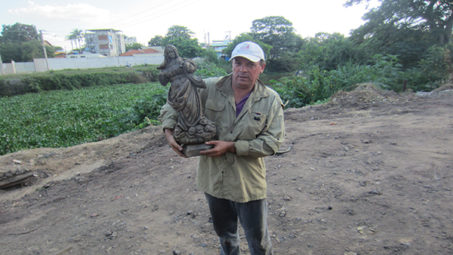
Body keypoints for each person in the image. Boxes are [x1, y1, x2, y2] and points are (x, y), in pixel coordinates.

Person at [159, 41, 285, 255]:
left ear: (261, 67)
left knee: (259, 243)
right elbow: (173, 103)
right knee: (226, 238)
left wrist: (233, 147)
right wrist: (169, 131)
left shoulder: (270, 100)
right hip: (214, 180)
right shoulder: (209, 87)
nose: (242, 69)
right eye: (238, 63)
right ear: (232, 64)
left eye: (250, 64)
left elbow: (273, 142)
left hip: (248, 184)